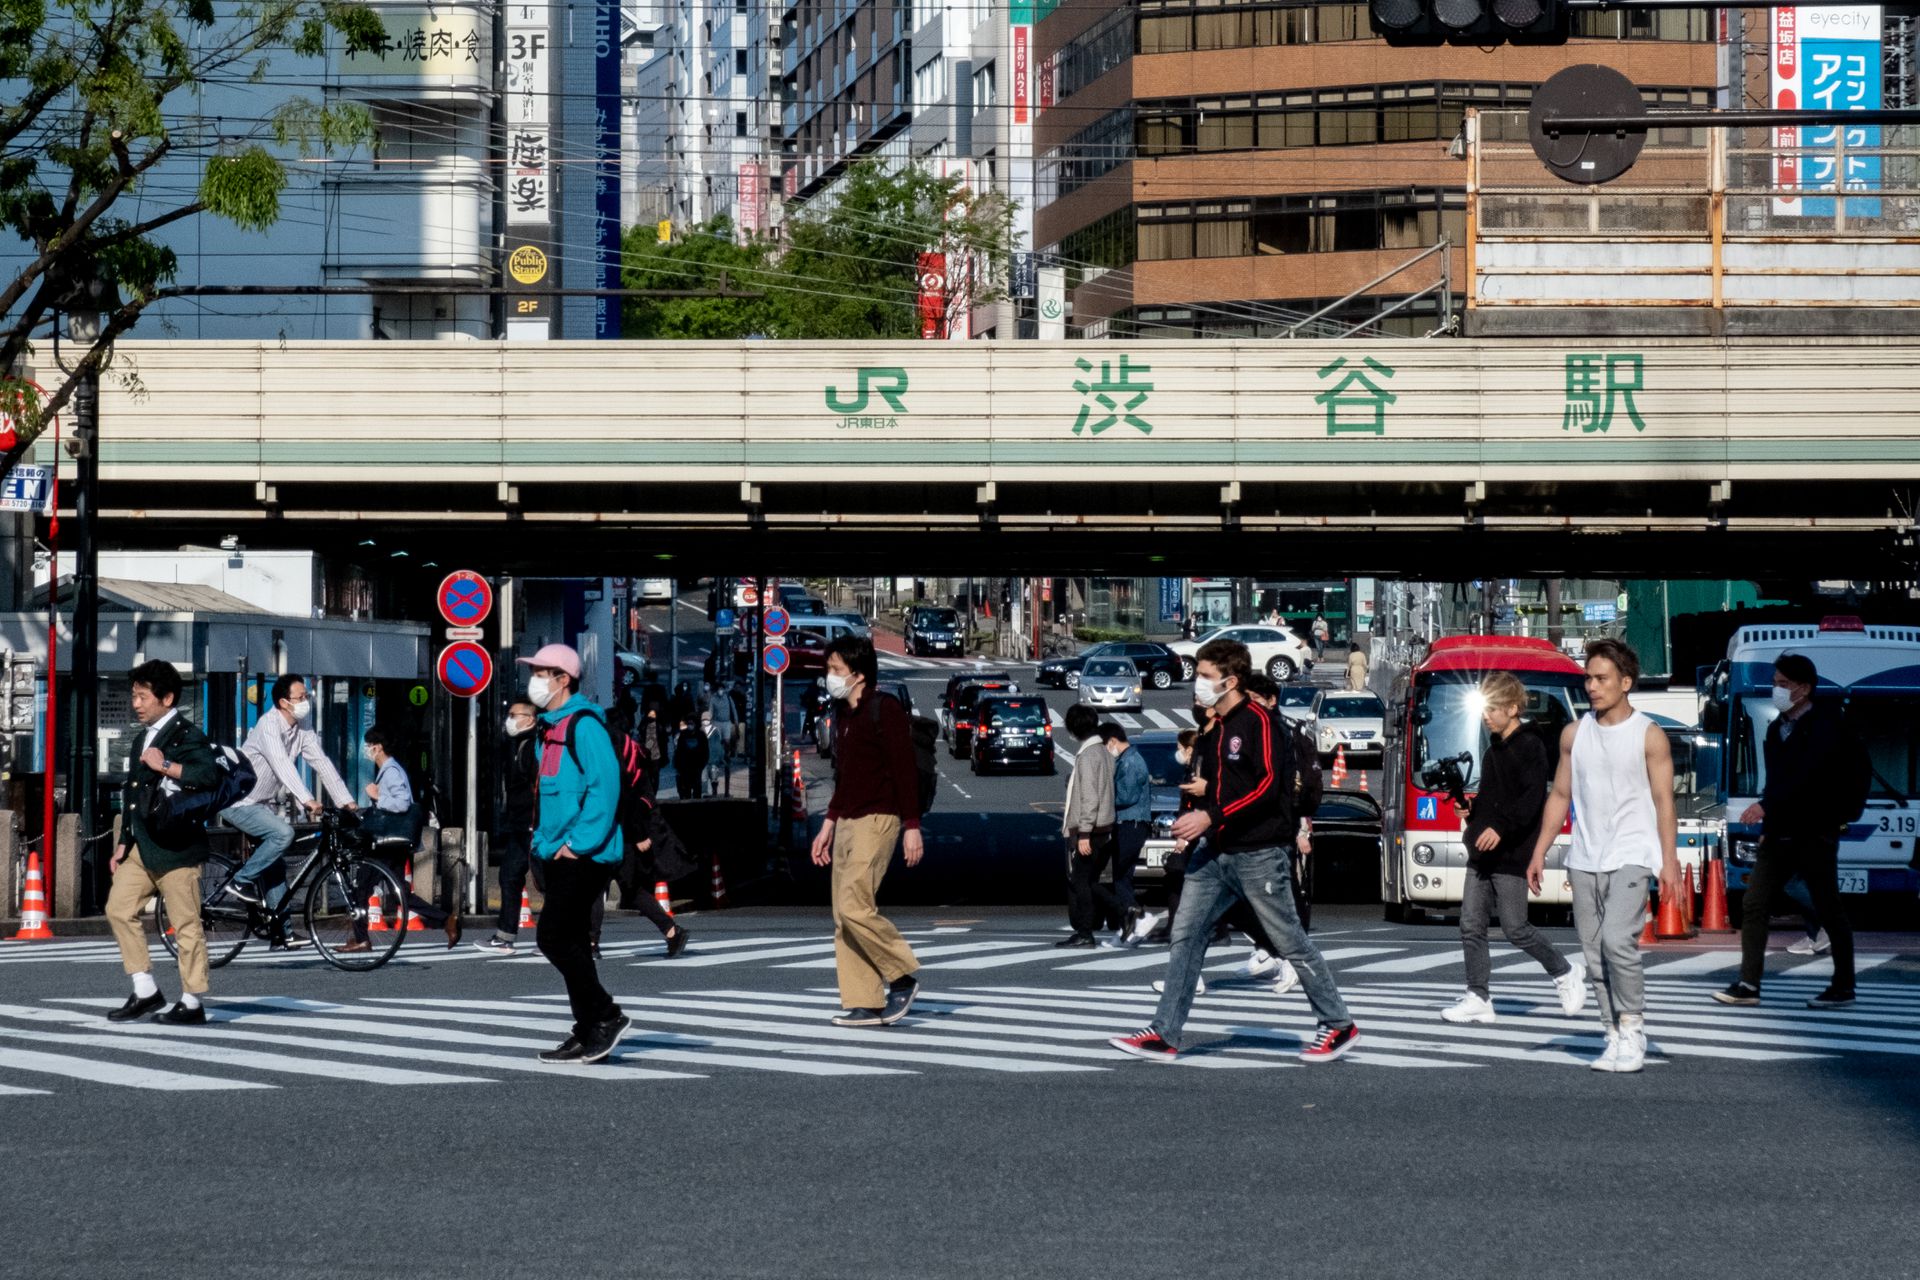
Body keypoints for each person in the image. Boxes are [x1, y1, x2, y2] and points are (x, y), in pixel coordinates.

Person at [1110, 638, 1360, 1064]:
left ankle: (1338, 1024)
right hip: (1216, 851)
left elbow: (1265, 787)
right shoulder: (1218, 727)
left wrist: (1211, 814)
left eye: (1206, 677)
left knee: (1289, 940)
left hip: (1259, 850)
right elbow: (1231, 785)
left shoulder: (1258, 722)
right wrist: (1203, 814)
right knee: (1186, 937)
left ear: (1230, 680)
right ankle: (1165, 1033)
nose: (1198, 684)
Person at [1528, 638, 1681, 1074]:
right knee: (1594, 954)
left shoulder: (1649, 735)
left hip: (1632, 852)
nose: (1592, 687)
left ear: (1625, 682)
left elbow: (1664, 802)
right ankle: (1612, 1034)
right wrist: (1540, 852)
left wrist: (1668, 862)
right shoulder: (1574, 734)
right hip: (1585, 855)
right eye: (1588, 679)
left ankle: (1633, 1027)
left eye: (1601, 679)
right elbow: (1560, 794)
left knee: (1617, 942)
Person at [1715, 652, 1859, 1010]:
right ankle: (1749, 984)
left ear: (1804, 688)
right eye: (1775, 683)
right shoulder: (1777, 727)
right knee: (1754, 902)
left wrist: (1766, 806)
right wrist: (1769, 822)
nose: (1776, 689)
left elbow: (1809, 776)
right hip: (1780, 833)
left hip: (1815, 831)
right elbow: (1779, 779)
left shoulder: (1827, 725)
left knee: (1828, 907)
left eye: (1783, 684)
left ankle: (1844, 985)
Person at [1443, 673, 1585, 1024]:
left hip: (1512, 854)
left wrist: (1499, 827)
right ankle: (1478, 996)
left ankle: (1565, 972)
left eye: (1492, 709)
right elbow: (1495, 801)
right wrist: (1472, 812)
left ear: (1512, 708)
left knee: (1515, 927)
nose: (1485, 716)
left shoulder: (1531, 746)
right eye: (1484, 709)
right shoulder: (1493, 751)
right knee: (1470, 924)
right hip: (1482, 853)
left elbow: (1532, 800)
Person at [522, 643, 631, 1065]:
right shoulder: (549, 729)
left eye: (542, 672)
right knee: (571, 942)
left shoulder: (583, 726)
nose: (535, 680)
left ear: (563, 679)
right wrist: (543, 847)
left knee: (551, 937)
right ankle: (588, 1029)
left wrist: (576, 845)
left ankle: (605, 1015)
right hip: (557, 851)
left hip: (586, 854)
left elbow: (605, 791)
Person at [809, 633, 923, 1028]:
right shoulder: (843, 714)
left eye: (836, 670)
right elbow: (845, 778)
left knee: (856, 905)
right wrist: (827, 823)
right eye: (829, 669)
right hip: (846, 821)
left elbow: (904, 771)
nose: (830, 676)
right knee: (843, 914)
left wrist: (912, 826)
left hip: (879, 819)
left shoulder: (884, 709)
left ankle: (902, 974)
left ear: (858, 674)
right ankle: (864, 1001)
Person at [103, 660, 223, 1025]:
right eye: (134, 696)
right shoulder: (142, 736)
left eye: (142, 696)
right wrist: (123, 841)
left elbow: (208, 775)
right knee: (118, 909)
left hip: (177, 846)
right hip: (141, 846)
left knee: (185, 924)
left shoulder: (188, 735)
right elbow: (133, 792)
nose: (136, 703)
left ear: (167, 698)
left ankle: (192, 1000)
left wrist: (165, 765)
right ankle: (145, 990)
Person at [223, 674, 355, 920]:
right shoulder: (268, 725)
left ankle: (281, 932)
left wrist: (345, 800)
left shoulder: (302, 726)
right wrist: (307, 799)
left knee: (275, 867)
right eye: (301, 697)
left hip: (261, 804)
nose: (306, 701)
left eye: (307, 696)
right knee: (283, 834)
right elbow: (282, 765)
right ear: (284, 702)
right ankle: (240, 882)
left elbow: (321, 762)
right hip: (238, 801)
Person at [346, 727, 459, 951]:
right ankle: (446, 920)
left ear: (377, 748)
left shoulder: (391, 771)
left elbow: (402, 803)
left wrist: (378, 796)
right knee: (401, 893)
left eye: (368, 746)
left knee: (361, 887)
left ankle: (361, 938)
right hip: (393, 843)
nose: (366, 750)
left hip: (386, 843)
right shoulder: (390, 770)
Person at [475, 699, 539, 953]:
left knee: (547, 882)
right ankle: (505, 936)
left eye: (515, 714)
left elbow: (539, 788)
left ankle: (562, 937)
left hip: (534, 825)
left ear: (530, 719)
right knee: (509, 876)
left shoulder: (533, 746)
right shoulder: (517, 744)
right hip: (521, 825)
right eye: (509, 714)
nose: (509, 719)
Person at [1058, 704, 1118, 948]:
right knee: (1090, 880)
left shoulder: (1087, 756)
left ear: (1073, 728)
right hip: (1104, 827)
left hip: (1091, 830)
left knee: (1079, 881)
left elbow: (1089, 797)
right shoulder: (1104, 751)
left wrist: (1083, 833)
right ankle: (1127, 913)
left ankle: (1086, 932)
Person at [1102, 723, 1150, 944]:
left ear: (1112, 740)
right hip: (1131, 823)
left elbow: (1126, 795)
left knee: (1120, 875)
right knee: (1124, 876)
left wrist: (1104, 796)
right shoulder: (1128, 759)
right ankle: (1128, 928)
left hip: (1130, 823)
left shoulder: (1129, 762)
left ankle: (1139, 915)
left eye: (1105, 745)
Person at [672, 716, 708, 800]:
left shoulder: (701, 735)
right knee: (686, 792)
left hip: (697, 767)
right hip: (685, 768)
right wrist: (679, 766)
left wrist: (701, 765)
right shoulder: (683, 735)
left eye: (691, 723)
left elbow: (705, 751)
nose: (689, 725)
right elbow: (679, 751)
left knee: (697, 791)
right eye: (688, 723)